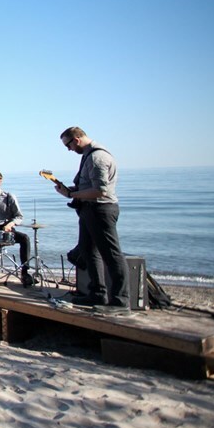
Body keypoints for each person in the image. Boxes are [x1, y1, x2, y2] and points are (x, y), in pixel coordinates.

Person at [55, 126, 130, 315]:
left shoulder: (97, 157)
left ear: (77, 139)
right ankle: (97, 293)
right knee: (89, 251)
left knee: (112, 255)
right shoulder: (88, 155)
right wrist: (68, 191)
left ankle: (121, 302)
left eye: (68, 145)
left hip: (101, 210)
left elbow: (100, 190)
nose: (68, 149)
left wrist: (72, 193)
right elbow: (87, 186)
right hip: (89, 209)